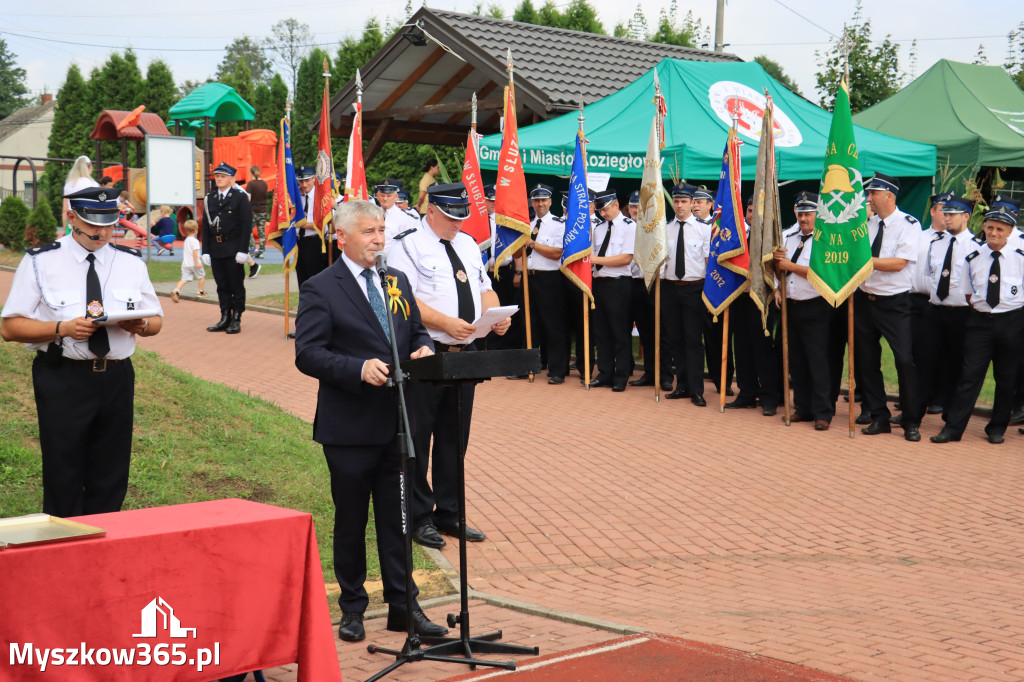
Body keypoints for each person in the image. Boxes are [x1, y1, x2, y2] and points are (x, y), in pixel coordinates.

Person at [294, 200, 448, 643]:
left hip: (398, 424)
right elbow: (308, 353)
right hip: (349, 428)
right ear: (342, 237)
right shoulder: (322, 287)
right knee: (351, 520)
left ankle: (405, 607)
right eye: (368, 231)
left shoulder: (395, 280)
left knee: (399, 520)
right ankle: (352, 607)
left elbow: (415, 331)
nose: (379, 239)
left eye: (381, 230)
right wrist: (357, 368)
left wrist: (423, 349)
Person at [0, 187, 163, 517]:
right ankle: (63, 546)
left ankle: (103, 543)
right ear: (71, 218)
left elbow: (156, 318)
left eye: (109, 224)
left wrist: (141, 326)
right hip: (64, 377)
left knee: (112, 470)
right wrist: (62, 328)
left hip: (116, 376)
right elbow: (10, 327)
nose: (102, 232)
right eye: (93, 224)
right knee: (64, 468)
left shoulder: (130, 262)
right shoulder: (41, 261)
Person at [387, 182, 511, 549]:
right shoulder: (405, 243)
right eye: (450, 217)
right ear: (431, 211)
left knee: (455, 439)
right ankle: (420, 517)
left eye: (461, 217)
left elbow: (483, 284)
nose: (457, 224)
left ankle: (450, 513)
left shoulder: (468, 243)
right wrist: (445, 323)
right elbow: (402, 298)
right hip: (426, 353)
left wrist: (495, 312)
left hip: (465, 355)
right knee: (419, 439)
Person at [931, 206, 1024, 444]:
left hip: (1012, 321)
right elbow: (969, 295)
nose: (993, 233)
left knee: (1006, 378)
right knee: (969, 376)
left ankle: (996, 428)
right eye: (990, 227)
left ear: (1010, 230)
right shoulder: (973, 258)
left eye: (1000, 229)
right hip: (980, 323)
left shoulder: (1020, 257)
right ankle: (953, 428)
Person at [855, 173, 923, 442]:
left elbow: (899, 263)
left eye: (872, 194)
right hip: (865, 299)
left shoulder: (909, 224)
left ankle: (911, 421)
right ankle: (878, 416)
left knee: (904, 360)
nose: (868, 198)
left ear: (889, 196)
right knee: (866, 362)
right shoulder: (865, 224)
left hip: (895, 303)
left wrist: (864, 262)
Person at [774, 194, 833, 429]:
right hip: (791, 306)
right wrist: (778, 288)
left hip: (816, 306)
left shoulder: (827, 240)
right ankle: (803, 407)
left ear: (818, 214)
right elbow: (778, 268)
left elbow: (822, 273)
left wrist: (788, 266)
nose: (803, 218)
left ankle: (822, 413)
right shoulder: (788, 236)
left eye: (808, 214)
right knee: (796, 360)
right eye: (800, 213)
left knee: (817, 361)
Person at [916, 195, 972, 423]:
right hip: (934, 310)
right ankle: (913, 415)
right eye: (945, 213)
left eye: (952, 214)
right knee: (923, 362)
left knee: (956, 366)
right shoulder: (935, 244)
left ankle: (951, 416)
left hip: (961, 313)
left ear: (966, 217)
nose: (946, 218)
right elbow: (931, 275)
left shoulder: (976, 246)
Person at [660, 182, 710, 405]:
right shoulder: (665, 229)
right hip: (671, 289)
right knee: (675, 340)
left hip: (694, 289)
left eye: (684, 202)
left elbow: (709, 263)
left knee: (693, 341)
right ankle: (682, 385)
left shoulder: (704, 229)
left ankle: (697, 390)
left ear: (692, 203)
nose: (679, 206)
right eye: (677, 201)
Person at [589, 189, 636, 392]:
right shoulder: (599, 228)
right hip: (599, 284)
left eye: (606, 209)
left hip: (619, 284)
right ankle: (605, 373)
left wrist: (595, 260)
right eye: (599, 210)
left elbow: (626, 258)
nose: (602, 213)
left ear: (616, 205)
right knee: (601, 332)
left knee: (620, 332)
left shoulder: (630, 227)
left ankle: (621, 375)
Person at [525, 183, 569, 383]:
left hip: (550, 279)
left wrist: (532, 243)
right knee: (531, 324)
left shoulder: (559, 224)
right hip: (529, 277)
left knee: (553, 326)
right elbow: (519, 253)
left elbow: (557, 253)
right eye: (536, 200)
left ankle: (558, 369)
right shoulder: (527, 224)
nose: (539, 204)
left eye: (543, 200)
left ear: (550, 202)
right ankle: (531, 366)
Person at [202, 162, 252, 335]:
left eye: (223, 176)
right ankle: (224, 317)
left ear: (232, 179)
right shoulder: (210, 198)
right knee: (221, 285)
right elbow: (205, 227)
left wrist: (243, 250)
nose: (219, 179)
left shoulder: (240, 197)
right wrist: (205, 250)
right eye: (217, 176)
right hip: (216, 248)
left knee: (236, 285)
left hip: (233, 248)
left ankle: (236, 318)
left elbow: (246, 225)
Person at [295, 165, 329, 289]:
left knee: (316, 282)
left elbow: (323, 225)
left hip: (315, 242)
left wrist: (302, 224)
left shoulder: (321, 196)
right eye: (301, 181)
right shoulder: (297, 196)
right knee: (302, 282)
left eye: (307, 180)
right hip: (299, 243)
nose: (304, 184)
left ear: (314, 178)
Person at [171, 219, 207, 302]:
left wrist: (200, 256)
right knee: (202, 277)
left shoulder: (186, 240)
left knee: (184, 279)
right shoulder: (195, 241)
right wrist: (197, 262)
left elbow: (192, 252)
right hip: (194, 263)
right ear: (195, 230)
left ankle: (176, 291)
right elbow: (194, 252)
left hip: (186, 264)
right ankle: (200, 292)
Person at [377, 178, 420, 247]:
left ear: (396, 197)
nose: (385, 199)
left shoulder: (404, 218)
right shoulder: (371, 214)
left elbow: (409, 243)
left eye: (389, 196)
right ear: (377, 196)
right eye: (382, 196)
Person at [62, 156, 98, 235]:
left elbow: (65, 210)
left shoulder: (69, 184)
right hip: (88, 220)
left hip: (72, 220)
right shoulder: (93, 184)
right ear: (89, 167)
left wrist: (65, 229)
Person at [247, 165, 269, 259]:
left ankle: (252, 247)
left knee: (248, 229)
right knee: (261, 231)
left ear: (251, 173)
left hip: (253, 210)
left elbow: (248, 198)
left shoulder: (251, 184)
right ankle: (261, 251)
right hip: (263, 210)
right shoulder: (265, 184)